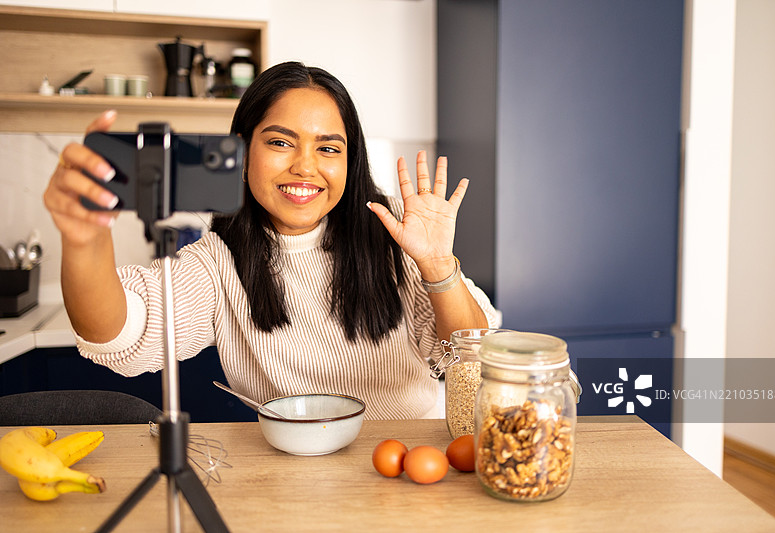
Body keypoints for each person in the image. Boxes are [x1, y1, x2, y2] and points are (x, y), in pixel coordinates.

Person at [43, 61, 499, 419]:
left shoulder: (392, 236)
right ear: (242, 152)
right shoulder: (218, 262)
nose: (305, 166)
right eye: (281, 142)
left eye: (328, 148)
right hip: (294, 470)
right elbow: (118, 330)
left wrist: (439, 264)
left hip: (410, 456)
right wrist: (84, 239)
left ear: (349, 161)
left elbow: (475, 356)